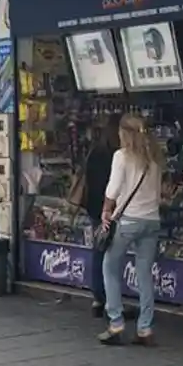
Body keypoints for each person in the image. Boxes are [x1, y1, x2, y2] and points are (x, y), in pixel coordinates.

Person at [98, 115, 164, 346]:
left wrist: (106, 212)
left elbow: (113, 189)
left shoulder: (122, 157)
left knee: (110, 267)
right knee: (144, 274)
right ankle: (145, 327)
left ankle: (116, 322)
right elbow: (157, 193)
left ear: (125, 133)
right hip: (151, 221)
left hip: (128, 221)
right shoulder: (155, 159)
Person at [83, 115, 125, 319]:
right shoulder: (116, 156)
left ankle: (98, 299)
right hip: (109, 210)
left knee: (98, 250)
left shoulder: (94, 153)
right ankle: (110, 302)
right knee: (110, 256)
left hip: (94, 208)